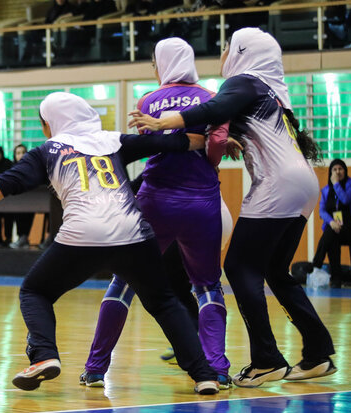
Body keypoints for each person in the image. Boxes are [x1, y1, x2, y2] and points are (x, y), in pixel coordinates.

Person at [0, 91, 221, 395]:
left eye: (44, 122)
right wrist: (217, 138)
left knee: (35, 291)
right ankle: (204, 375)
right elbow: (179, 143)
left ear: (52, 122)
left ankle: (44, 356)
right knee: (164, 302)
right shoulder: (114, 140)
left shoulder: (47, 151)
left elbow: (1, 186)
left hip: (83, 235)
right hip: (131, 232)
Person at [129, 27, 337, 388]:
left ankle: (267, 360)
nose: (224, 54)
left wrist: (167, 122)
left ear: (243, 51)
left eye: (227, 47)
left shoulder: (244, 82)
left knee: (240, 267)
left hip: (278, 183)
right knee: (275, 270)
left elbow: (214, 109)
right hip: (304, 182)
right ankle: (318, 351)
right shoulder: (271, 90)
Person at [80, 38, 232, 389]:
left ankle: (95, 367)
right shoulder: (211, 97)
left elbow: (150, 142)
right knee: (208, 286)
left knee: (124, 281)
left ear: (162, 63)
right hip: (201, 200)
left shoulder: (147, 100)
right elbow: (216, 147)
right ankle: (217, 369)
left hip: (154, 200)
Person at [312, 159, 351, 288]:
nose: (338, 172)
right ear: (330, 172)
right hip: (334, 228)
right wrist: (331, 222)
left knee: (330, 235)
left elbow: (345, 200)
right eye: (334, 169)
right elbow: (322, 210)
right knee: (332, 237)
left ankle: (316, 264)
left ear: (345, 171)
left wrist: (336, 184)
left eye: (340, 169)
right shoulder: (325, 190)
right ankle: (336, 280)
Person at [9, 144, 35, 249]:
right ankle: (21, 238)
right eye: (18, 153)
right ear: (15, 155)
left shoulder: (32, 167)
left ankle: (25, 238)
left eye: (23, 152)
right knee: (18, 214)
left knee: (28, 213)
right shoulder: (12, 168)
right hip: (16, 199)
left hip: (31, 198)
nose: (21, 155)